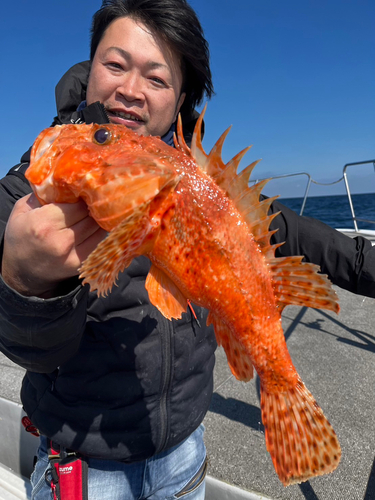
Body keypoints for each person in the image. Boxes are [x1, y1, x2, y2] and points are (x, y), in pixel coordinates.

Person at [0, 0, 374, 499]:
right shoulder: (26, 198)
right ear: (90, 71)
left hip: (184, 456)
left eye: (156, 79)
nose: (130, 90)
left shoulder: (200, 185)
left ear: (180, 99)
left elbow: (302, 236)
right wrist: (24, 281)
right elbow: (31, 349)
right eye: (114, 65)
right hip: (85, 468)